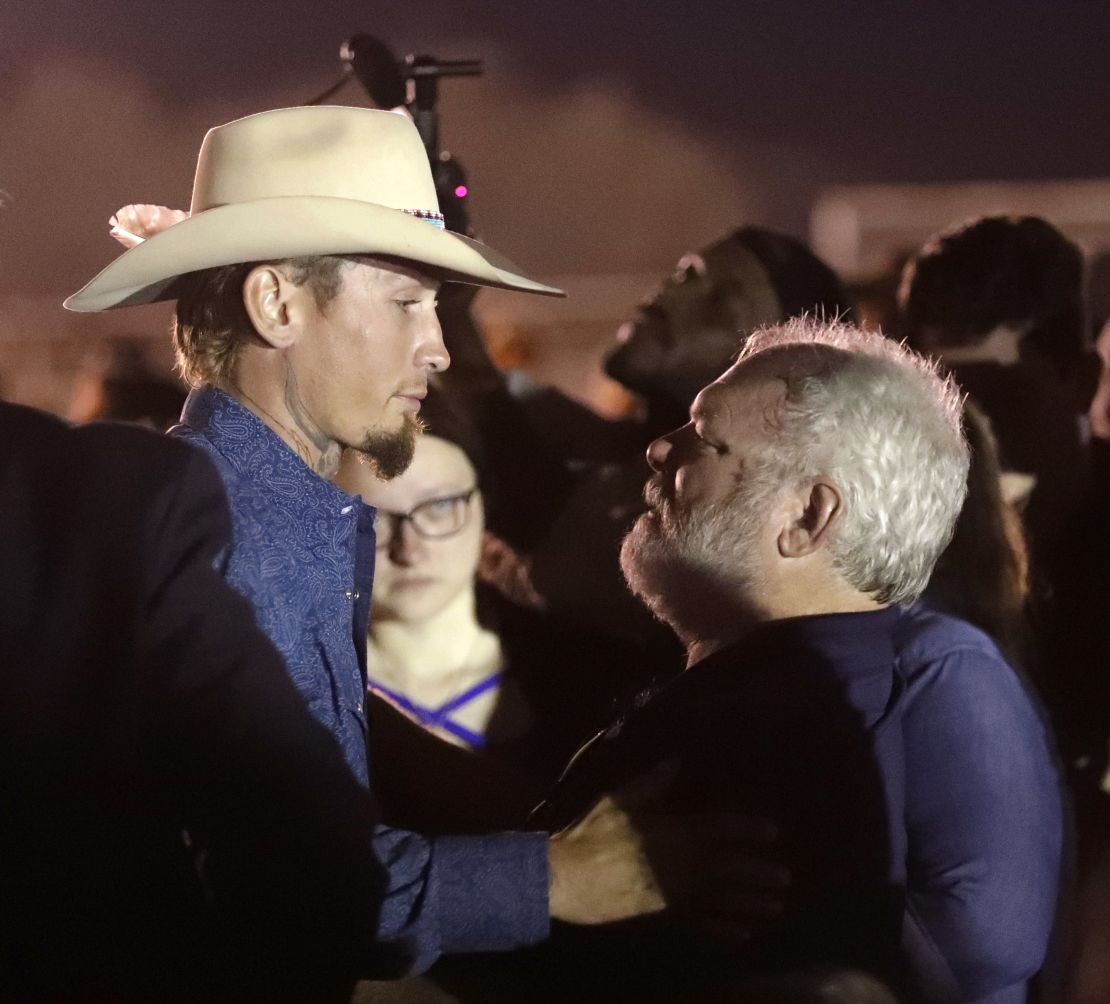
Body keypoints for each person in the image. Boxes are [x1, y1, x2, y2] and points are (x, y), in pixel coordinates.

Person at [65, 104, 744, 976]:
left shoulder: (256, 510)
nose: (438, 350)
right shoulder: (228, 537)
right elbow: (287, 889)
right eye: (405, 303)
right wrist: (556, 878)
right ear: (275, 302)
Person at [0, 400, 386, 1001]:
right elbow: (310, 845)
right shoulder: (91, 498)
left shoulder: (97, 499)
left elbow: (305, 838)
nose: (432, 351)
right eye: (406, 303)